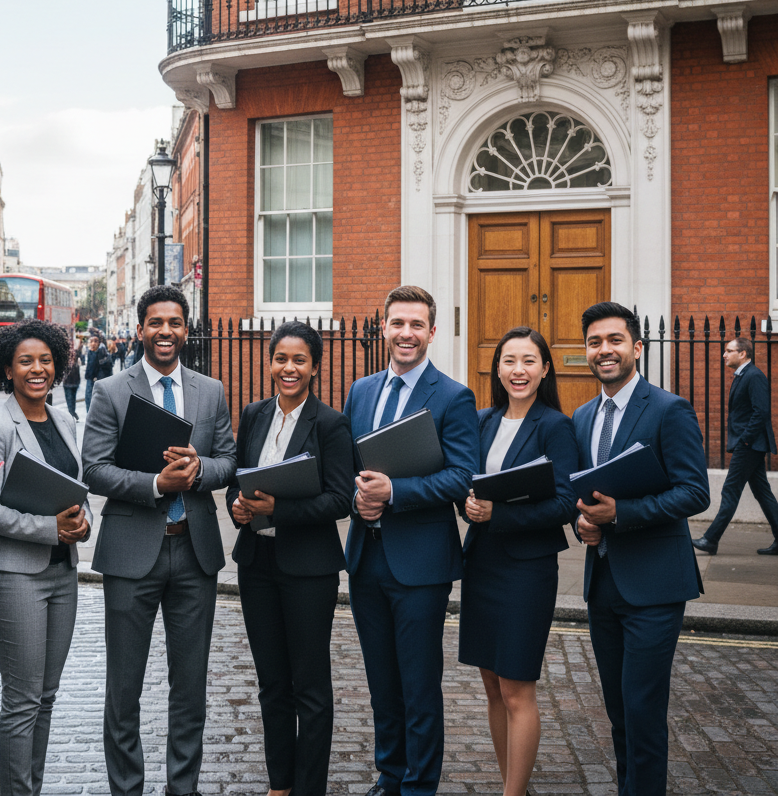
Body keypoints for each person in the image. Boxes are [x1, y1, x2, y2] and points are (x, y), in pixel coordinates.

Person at [82, 284, 237, 796]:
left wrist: (197, 473)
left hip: (195, 554)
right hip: (132, 554)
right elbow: (95, 470)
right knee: (124, 689)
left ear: (185, 329)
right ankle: (126, 788)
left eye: (174, 323)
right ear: (141, 328)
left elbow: (230, 462)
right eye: (155, 322)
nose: (165, 331)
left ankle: (182, 789)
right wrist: (154, 484)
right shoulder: (111, 391)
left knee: (189, 686)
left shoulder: (210, 391)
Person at [343, 284, 479, 796]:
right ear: (384, 328)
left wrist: (394, 492)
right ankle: (390, 774)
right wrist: (359, 500)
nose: (406, 334)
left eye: (417, 325)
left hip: (420, 563)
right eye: (398, 323)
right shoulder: (361, 391)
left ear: (432, 332)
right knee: (382, 682)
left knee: (419, 685)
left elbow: (461, 475)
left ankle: (420, 785)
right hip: (365, 557)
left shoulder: (452, 396)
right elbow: (350, 471)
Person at [573, 301, 710, 796]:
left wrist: (622, 515)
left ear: (637, 347)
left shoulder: (669, 409)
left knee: (643, 706)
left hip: (654, 583)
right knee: (618, 708)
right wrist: (584, 522)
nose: (604, 350)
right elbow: (584, 492)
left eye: (614, 340)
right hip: (603, 582)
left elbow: (695, 492)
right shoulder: (583, 414)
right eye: (594, 342)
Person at [228, 320, 355, 796]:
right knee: (271, 684)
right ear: (271, 362)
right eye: (281, 358)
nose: (288, 367)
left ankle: (308, 788)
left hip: (309, 570)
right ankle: (279, 784)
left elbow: (340, 500)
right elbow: (236, 482)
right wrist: (239, 509)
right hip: (257, 564)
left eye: (299, 359)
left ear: (315, 367)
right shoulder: (255, 413)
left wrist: (280, 509)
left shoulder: (330, 423)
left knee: (310, 687)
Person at [0, 319, 91, 796]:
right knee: (22, 700)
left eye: (45, 360)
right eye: (26, 361)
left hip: (63, 574)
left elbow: (78, 492)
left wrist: (82, 524)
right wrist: (48, 529)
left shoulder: (65, 421)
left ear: (57, 365)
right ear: (7, 369)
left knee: (46, 696)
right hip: (14, 575)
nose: (37, 369)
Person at [458, 327, 580, 796]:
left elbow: (566, 502)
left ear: (545, 369)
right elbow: (469, 485)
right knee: (491, 685)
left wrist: (499, 512)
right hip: (483, 562)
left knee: (516, 687)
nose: (518, 371)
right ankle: (515, 785)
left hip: (527, 569)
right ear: (498, 370)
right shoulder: (484, 420)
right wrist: (468, 506)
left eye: (529, 361)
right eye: (509, 361)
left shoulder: (554, 425)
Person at [693, 336, 778, 555]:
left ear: (743, 354)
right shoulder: (743, 375)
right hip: (750, 444)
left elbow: (762, 412)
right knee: (763, 493)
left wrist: (745, 440)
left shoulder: (754, 376)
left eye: (729, 350)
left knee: (730, 490)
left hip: (750, 445)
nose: (724, 354)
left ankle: (711, 539)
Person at [62, 336, 83, 420]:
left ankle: (72, 413)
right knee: (71, 399)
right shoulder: (70, 356)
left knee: (70, 398)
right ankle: (72, 413)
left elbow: (79, 348)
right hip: (72, 381)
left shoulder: (68, 356)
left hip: (70, 381)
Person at [84, 336, 99, 413]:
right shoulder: (90, 352)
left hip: (94, 379)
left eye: (95, 342)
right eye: (91, 342)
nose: (93, 344)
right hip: (90, 378)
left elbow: (94, 365)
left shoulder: (97, 353)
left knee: (90, 397)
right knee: (88, 397)